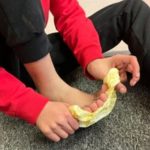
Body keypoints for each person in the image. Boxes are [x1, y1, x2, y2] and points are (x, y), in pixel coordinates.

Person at [1, 0, 149, 142]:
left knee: (131, 11)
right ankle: (51, 86)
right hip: (8, 69)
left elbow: (70, 14)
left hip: (35, 54)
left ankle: (48, 76)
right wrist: (32, 105)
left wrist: (93, 59)